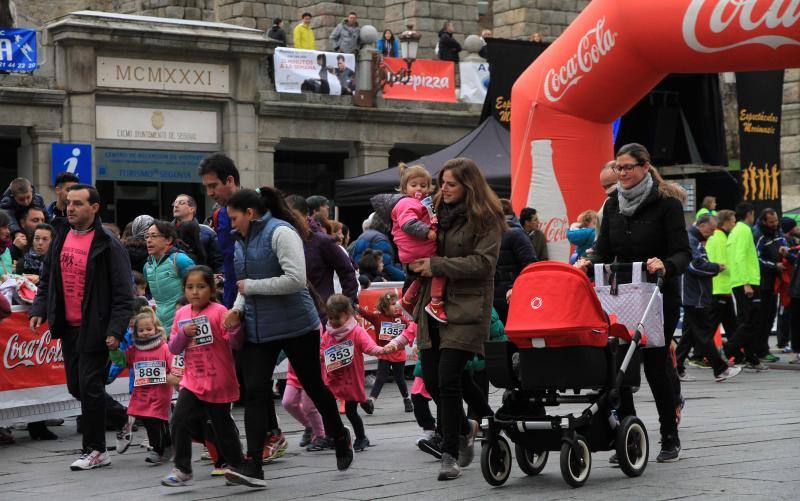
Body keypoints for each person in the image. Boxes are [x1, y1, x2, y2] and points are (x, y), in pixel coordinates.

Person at [223, 187, 354, 480]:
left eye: (234, 219)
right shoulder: (241, 241)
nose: (231, 225)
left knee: (313, 384)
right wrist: (238, 309)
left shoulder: (281, 232)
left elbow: (295, 280)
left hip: (297, 325)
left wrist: (250, 289)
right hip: (259, 327)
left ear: (250, 213)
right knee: (255, 392)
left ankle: (339, 437)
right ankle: (253, 463)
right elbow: (245, 285)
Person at [576, 143, 691, 464]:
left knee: (656, 364)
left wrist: (666, 265)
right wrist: (588, 261)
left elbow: (683, 251)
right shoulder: (612, 203)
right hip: (622, 291)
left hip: (658, 292)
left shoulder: (666, 203)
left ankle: (670, 434)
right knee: (618, 366)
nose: (622, 174)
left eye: (628, 168)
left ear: (644, 166)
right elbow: (604, 247)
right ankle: (628, 434)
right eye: (619, 168)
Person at [406, 157, 506, 480]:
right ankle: (478, 423)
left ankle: (450, 452)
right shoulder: (434, 210)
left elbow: (483, 264)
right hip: (432, 306)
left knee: (449, 377)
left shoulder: (486, 217)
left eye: (451, 184)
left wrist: (436, 266)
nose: (443, 189)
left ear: (469, 185)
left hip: (466, 306)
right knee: (435, 379)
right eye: (442, 183)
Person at [29, 184, 133, 471]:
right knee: (78, 387)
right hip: (68, 326)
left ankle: (96, 449)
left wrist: (115, 330)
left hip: (96, 327)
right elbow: (47, 277)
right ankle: (123, 416)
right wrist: (40, 309)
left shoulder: (108, 244)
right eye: (68, 203)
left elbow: (125, 294)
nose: (70, 208)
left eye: (77, 204)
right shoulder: (61, 236)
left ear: (94, 208)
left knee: (89, 385)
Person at [165, 266, 263, 488]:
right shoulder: (181, 314)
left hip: (218, 379)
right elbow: (173, 348)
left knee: (221, 426)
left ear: (211, 289)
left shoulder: (219, 311)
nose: (195, 292)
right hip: (192, 379)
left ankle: (237, 465)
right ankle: (182, 468)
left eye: (201, 287)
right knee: (179, 419)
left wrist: (235, 326)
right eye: (190, 287)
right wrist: (183, 333)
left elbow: (235, 343)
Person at [676, 214, 742, 382]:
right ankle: (720, 369)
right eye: (711, 230)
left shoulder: (693, 240)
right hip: (694, 295)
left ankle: (676, 368)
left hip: (694, 295)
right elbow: (694, 266)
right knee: (704, 334)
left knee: (690, 334)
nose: (712, 234)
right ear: (701, 225)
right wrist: (715, 268)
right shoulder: (690, 240)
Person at [108, 309, 178, 463]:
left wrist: (173, 377)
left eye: (148, 329)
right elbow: (122, 361)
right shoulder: (134, 350)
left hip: (159, 393)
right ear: (135, 333)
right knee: (151, 421)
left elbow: (174, 366)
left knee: (155, 420)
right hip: (141, 394)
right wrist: (113, 350)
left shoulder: (164, 348)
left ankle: (158, 450)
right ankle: (168, 446)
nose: (145, 333)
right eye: (141, 330)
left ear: (156, 328)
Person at [321, 294, 385, 451]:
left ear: (347, 314)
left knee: (350, 411)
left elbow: (369, 346)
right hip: (333, 378)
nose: (333, 322)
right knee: (327, 407)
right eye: (330, 318)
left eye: (337, 318)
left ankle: (362, 437)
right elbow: (322, 347)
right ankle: (331, 435)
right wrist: (321, 354)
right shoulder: (329, 332)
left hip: (350, 378)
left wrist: (382, 350)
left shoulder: (356, 331)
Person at [392, 164, 450, 322]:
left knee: (422, 276)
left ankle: (407, 299)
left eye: (423, 185)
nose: (419, 188)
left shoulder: (423, 203)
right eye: (414, 185)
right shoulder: (406, 203)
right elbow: (408, 223)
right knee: (439, 269)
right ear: (405, 188)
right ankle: (436, 302)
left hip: (416, 250)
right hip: (417, 249)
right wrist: (427, 232)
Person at [724, 202, 768, 370]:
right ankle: (729, 350)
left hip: (737, 281)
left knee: (745, 320)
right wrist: (747, 283)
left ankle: (751, 358)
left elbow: (734, 257)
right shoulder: (744, 230)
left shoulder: (734, 231)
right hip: (746, 281)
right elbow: (741, 257)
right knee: (752, 321)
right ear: (749, 214)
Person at [357, 291, 414, 414]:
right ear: (384, 307)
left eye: (396, 303)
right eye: (393, 304)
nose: (396, 306)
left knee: (399, 378)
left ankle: (407, 399)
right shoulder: (377, 317)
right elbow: (364, 313)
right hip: (384, 353)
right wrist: (354, 306)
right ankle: (371, 401)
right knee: (380, 377)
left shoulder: (401, 319)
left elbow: (410, 331)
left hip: (398, 354)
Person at [199, 153, 241, 308]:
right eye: (207, 188)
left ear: (229, 180)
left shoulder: (261, 211)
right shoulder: (218, 216)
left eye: (213, 186)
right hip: (231, 299)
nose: (209, 193)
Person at [143, 220, 195, 333]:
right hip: (160, 328)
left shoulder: (180, 260)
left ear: (168, 240)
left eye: (154, 236)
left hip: (184, 325)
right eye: (147, 236)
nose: (148, 240)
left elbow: (196, 292)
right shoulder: (147, 266)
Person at [494, 199, 536, 323]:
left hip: (512, 297)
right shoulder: (484, 234)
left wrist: (516, 288)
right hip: (492, 298)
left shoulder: (515, 234)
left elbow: (531, 265)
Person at [752, 208, 786, 363]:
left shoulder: (777, 231)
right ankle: (760, 350)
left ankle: (762, 348)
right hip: (763, 282)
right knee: (763, 317)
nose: (775, 224)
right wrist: (774, 265)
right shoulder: (758, 234)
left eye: (776, 220)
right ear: (764, 221)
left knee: (770, 316)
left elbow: (782, 242)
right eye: (771, 222)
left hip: (775, 282)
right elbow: (757, 259)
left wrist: (784, 250)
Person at [706, 210, 738, 346]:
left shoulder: (718, 237)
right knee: (712, 326)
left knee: (730, 325)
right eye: (733, 221)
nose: (735, 223)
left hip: (720, 287)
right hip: (720, 288)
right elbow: (722, 264)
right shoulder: (720, 239)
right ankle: (699, 355)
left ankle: (735, 354)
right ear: (726, 222)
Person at [172, 193, 224, 272]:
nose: (176, 206)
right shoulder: (166, 232)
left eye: (181, 203)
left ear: (192, 209)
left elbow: (218, 263)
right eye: (174, 203)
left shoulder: (207, 232)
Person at [351, 212, 406, 281]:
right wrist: (403, 277)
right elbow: (386, 267)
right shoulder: (380, 239)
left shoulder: (362, 236)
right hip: (374, 281)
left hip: (362, 279)